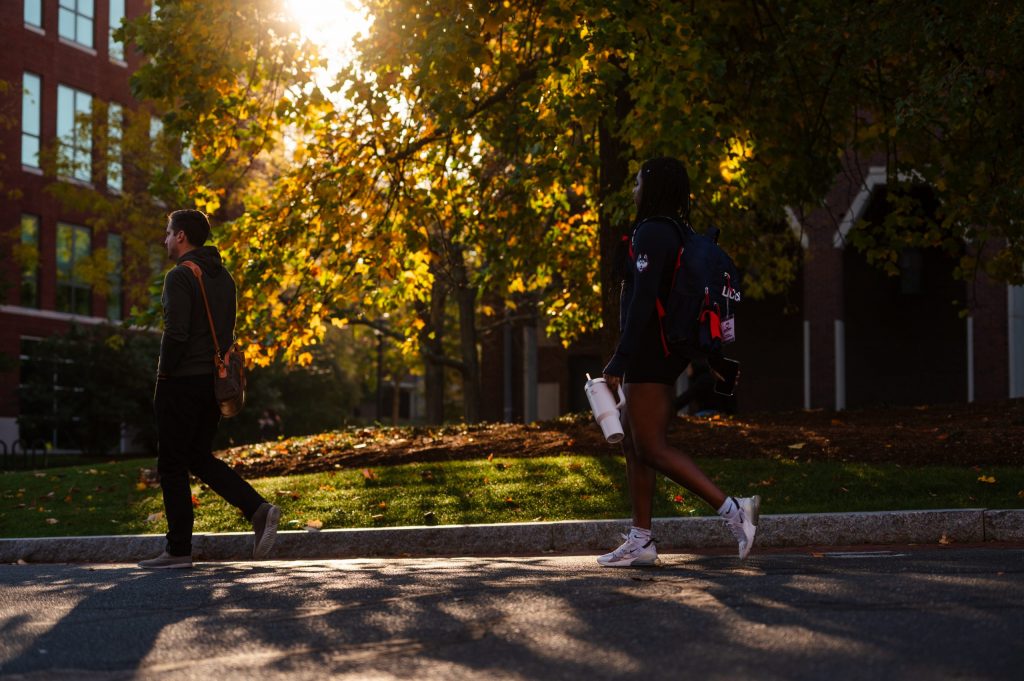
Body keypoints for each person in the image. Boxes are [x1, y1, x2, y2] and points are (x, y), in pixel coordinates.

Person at [598, 157, 759, 567]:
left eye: (637, 182)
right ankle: (641, 539)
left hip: (652, 352)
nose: (633, 190)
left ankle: (734, 510)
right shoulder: (674, 231)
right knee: (634, 446)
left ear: (651, 187)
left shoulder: (653, 231)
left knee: (650, 446)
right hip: (659, 350)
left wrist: (621, 356)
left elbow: (641, 302)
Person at [139, 209, 281, 569]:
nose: (165, 239)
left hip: (181, 381)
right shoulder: (225, 278)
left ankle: (178, 550)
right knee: (198, 457)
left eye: (168, 233)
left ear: (182, 236)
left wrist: (163, 375)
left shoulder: (179, 277)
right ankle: (258, 509)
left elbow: (176, 333)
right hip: (212, 384)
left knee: (171, 463)